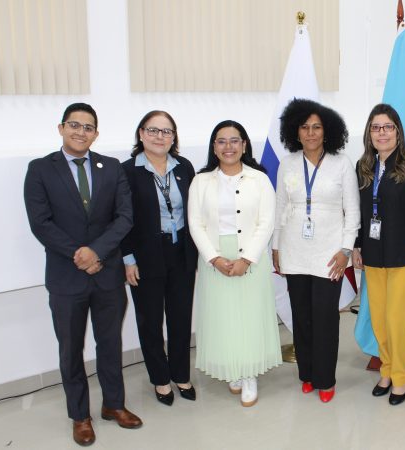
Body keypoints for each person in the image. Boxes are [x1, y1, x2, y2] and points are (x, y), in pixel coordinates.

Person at [23, 103, 141, 446]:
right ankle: (80, 415)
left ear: (96, 134)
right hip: (66, 277)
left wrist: (97, 252)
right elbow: (40, 223)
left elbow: (124, 217)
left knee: (110, 343)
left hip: (107, 275)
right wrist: (80, 255)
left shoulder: (112, 167)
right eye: (74, 125)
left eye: (88, 127)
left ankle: (114, 405)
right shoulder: (40, 169)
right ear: (61, 128)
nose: (81, 132)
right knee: (71, 349)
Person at [188, 120, 282, 407]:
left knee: (250, 317)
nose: (228, 147)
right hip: (215, 257)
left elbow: (266, 222)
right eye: (221, 141)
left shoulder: (259, 179)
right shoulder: (201, 181)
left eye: (234, 140)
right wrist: (214, 258)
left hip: (251, 256)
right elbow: (195, 223)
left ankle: (249, 373)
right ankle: (233, 368)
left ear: (244, 145)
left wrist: (247, 259)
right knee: (223, 317)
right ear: (214, 147)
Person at [272, 99, 360, 403]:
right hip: (294, 250)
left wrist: (345, 250)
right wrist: (276, 246)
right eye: (305, 127)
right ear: (295, 131)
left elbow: (353, 211)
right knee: (302, 316)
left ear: (327, 131)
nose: (310, 133)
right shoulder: (288, 163)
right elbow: (280, 207)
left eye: (317, 127)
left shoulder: (341, 163)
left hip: (329, 253)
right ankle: (307, 374)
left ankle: (325, 379)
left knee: (325, 318)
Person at [351, 104, 405, 406]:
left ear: (398, 132)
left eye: (388, 127)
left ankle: (400, 377)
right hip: (373, 255)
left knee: (396, 319)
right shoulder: (363, 167)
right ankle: (385, 370)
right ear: (369, 133)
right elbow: (360, 212)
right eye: (376, 127)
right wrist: (357, 245)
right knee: (379, 320)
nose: (381, 133)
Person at [121, 111, 198, 406]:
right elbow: (120, 218)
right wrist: (128, 259)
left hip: (181, 253)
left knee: (180, 318)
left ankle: (181, 374)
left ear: (173, 137)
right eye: (153, 130)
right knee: (150, 320)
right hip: (145, 256)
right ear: (141, 134)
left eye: (166, 131)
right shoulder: (127, 171)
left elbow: (195, 210)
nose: (159, 137)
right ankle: (160, 378)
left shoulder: (184, 167)